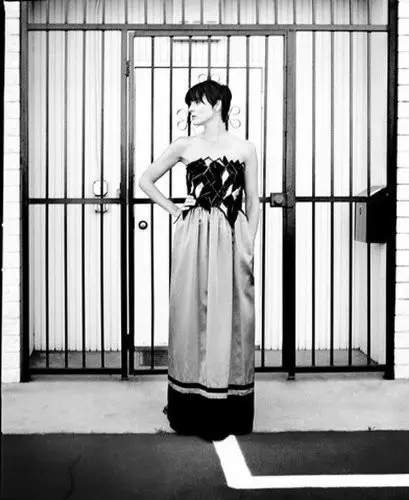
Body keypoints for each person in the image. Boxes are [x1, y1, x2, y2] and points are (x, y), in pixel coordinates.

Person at [138, 79, 259, 441]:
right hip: (193, 236)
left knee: (233, 315)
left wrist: (248, 240)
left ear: (218, 105)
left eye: (197, 102)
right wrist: (175, 209)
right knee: (190, 311)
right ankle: (189, 407)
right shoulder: (184, 145)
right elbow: (145, 180)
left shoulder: (245, 149)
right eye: (190, 103)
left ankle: (228, 406)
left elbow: (253, 201)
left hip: (231, 236)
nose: (191, 109)